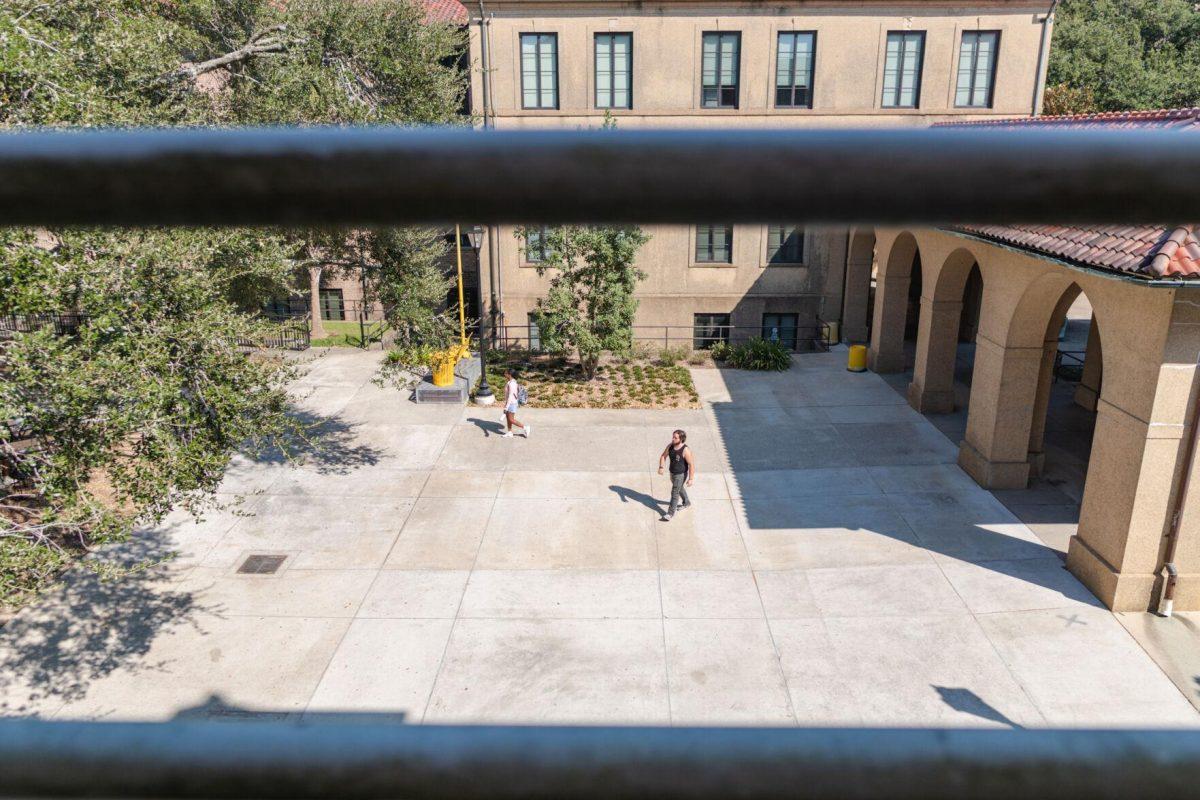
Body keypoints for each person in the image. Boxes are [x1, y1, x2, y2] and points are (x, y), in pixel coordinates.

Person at [657, 429, 694, 521]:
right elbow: (663, 456)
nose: (673, 439)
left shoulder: (685, 450)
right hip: (672, 473)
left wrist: (691, 478)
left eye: (675, 438)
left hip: (680, 474)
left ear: (681, 439)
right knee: (679, 488)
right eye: (673, 437)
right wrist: (661, 467)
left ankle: (670, 514)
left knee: (674, 492)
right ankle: (686, 502)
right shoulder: (670, 446)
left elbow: (691, 465)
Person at [502, 368, 530, 439]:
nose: (504, 374)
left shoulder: (512, 384)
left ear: (509, 375)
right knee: (508, 418)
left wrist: (506, 407)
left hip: (512, 403)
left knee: (511, 419)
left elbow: (511, 396)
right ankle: (509, 432)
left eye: (505, 373)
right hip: (510, 403)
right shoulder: (511, 382)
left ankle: (525, 427)